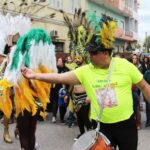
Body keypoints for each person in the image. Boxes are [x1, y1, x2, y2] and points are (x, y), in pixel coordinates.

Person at [21, 12, 150, 150]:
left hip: (126, 126)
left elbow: (144, 86)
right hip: (102, 127)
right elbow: (59, 77)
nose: (90, 56)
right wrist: (35, 75)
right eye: (89, 53)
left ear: (105, 53)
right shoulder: (85, 71)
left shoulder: (124, 65)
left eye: (93, 53)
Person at [0, 28, 57, 150]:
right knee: (26, 128)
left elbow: (41, 82)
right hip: (20, 98)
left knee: (29, 129)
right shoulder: (14, 59)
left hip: (32, 100)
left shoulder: (31, 61)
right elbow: (7, 78)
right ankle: (11, 134)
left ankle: (28, 146)